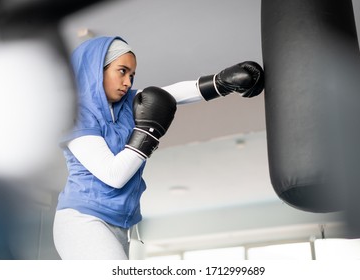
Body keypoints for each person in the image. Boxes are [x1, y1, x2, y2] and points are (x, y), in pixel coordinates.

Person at [53, 35, 264, 260]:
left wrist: (221, 82)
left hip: (121, 224)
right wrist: (148, 132)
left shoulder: (126, 105)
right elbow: (113, 175)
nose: (128, 82)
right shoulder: (77, 115)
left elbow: (170, 94)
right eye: (122, 71)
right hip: (82, 219)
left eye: (132, 75)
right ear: (96, 70)